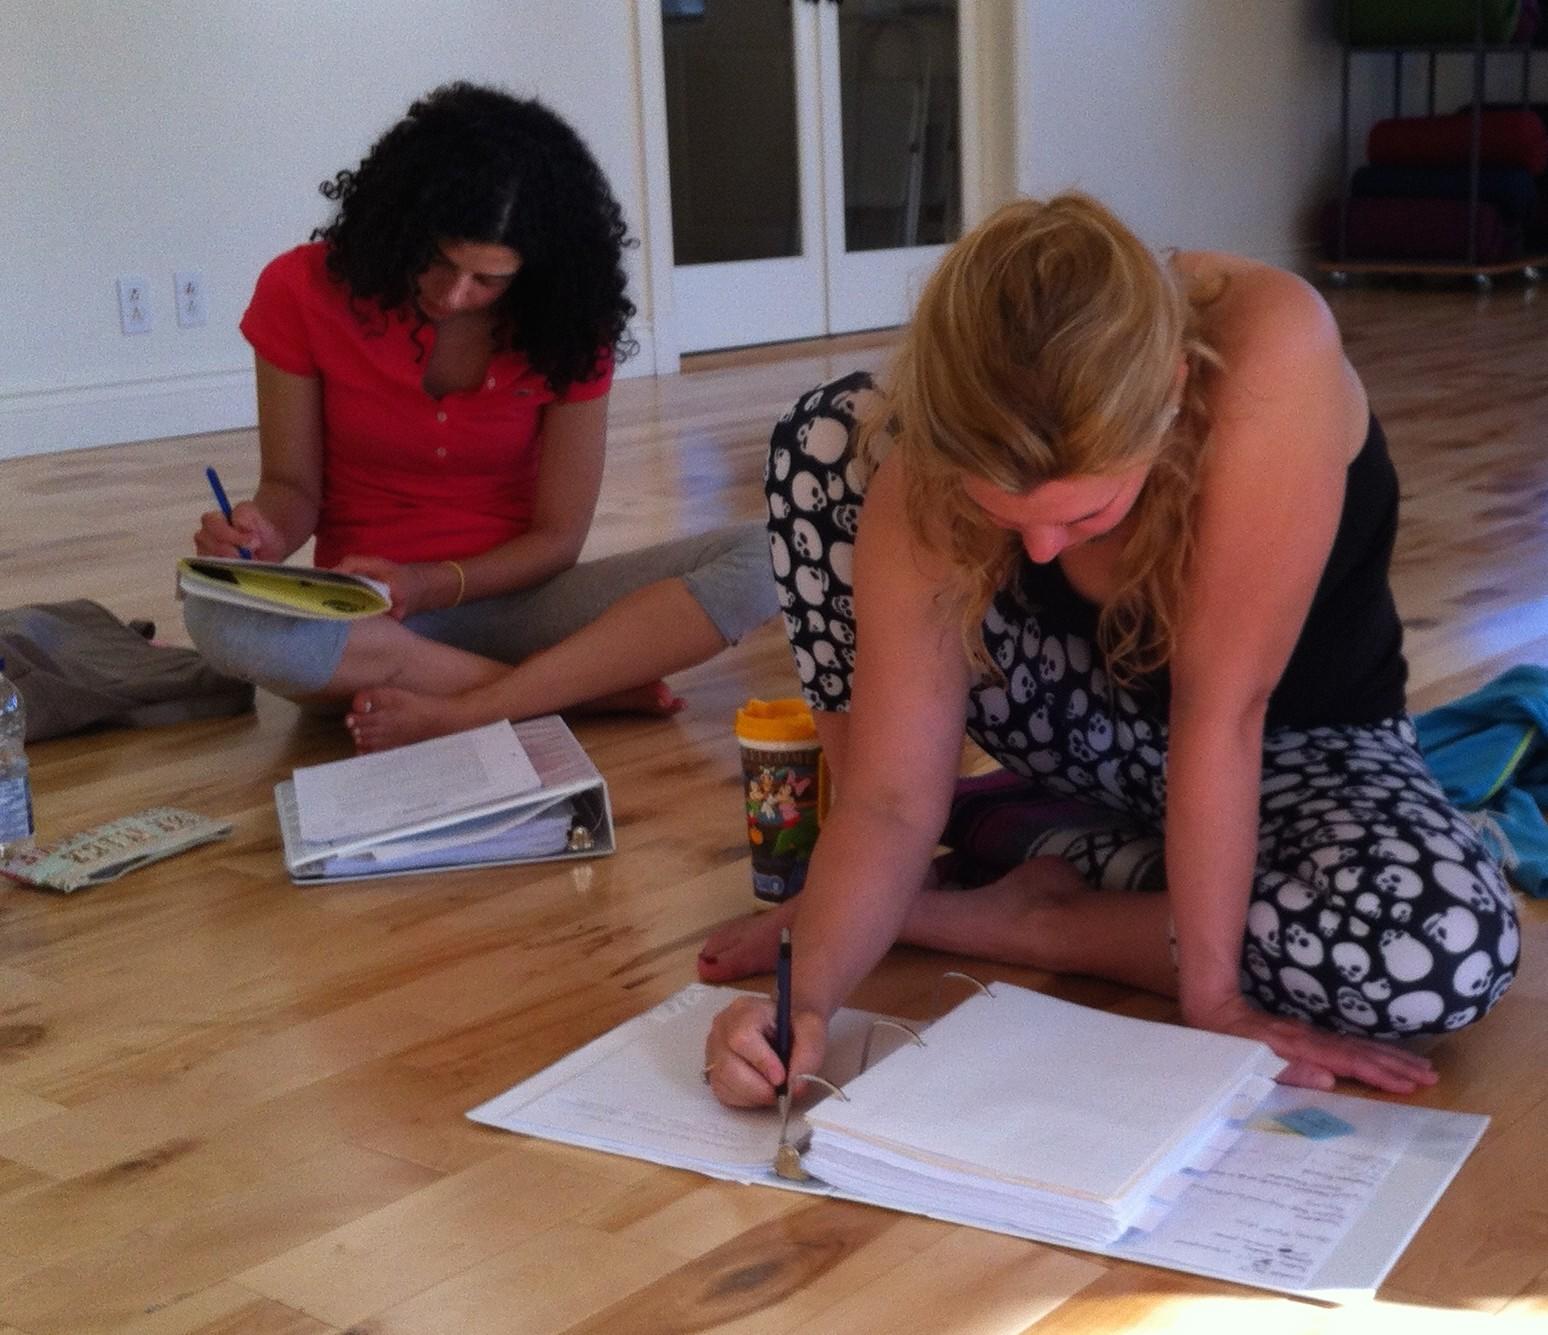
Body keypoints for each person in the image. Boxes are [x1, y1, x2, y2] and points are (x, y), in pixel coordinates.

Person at [701, 194, 1520, 1107]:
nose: (1041, 550)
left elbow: (1223, 718)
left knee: (1446, 952)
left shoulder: (1270, 353)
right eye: (1004, 517)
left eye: (1085, 513)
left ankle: (1018, 916)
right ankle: (914, 897)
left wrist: (1217, 1004)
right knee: (826, 433)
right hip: (1093, 744)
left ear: (1171, 390)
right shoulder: (938, 445)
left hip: (1300, 745)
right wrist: (806, 999)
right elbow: (891, 800)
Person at [187, 83, 776, 750]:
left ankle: (476, 704)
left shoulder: (570, 326)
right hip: (363, 617)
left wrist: (429, 584)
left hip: (522, 606)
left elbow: (557, 537)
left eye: (487, 280)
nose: (453, 295)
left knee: (768, 555)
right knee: (215, 616)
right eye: (438, 262)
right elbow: (292, 488)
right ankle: (574, 689)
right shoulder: (300, 289)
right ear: (402, 221)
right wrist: (261, 536)